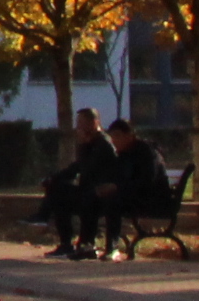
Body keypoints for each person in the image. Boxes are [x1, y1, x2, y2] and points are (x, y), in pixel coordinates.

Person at [44, 111, 115, 259]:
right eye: (78, 122)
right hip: (87, 192)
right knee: (58, 190)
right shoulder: (88, 143)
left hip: (102, 195)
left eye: (81, 122)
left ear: (94, 123)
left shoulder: (103, 143)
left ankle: (85, 244)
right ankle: (65, 243)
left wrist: (84, 146)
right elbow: (75, 169)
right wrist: (53, 178)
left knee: (80, 198)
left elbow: (88, 169)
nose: (78, 126)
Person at [103, 119, 171, 261]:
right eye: (112, 137)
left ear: (130, 135)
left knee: (112, 201)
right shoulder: (123, 154)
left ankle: (112, 247)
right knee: (94, 197)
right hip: (133, 197)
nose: (114, 141)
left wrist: (117, 187)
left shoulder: (146, 152)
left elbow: (147, 181)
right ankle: (86, 244)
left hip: (153, 201)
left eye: (117, 136)